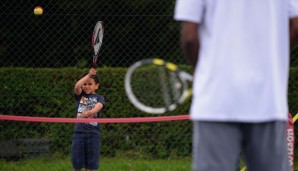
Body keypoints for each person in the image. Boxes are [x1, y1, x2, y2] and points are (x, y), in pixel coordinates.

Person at [174, 0, 298, 171]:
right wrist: (270, 63)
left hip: (216, 102)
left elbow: (189, 37)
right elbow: (295, 25)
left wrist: (205, 72)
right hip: (268, 101)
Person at [71, 68, 105, 171]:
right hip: (79, 134)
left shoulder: (99, 98)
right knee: (77, 164)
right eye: (84, 84)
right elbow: (77, 86)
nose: (86, 86)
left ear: (96, 86)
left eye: (90, 84)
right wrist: (88, 75)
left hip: (93, 134)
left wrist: (90, 112)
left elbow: (98, 106)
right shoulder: (80, 95)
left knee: (90, 165)